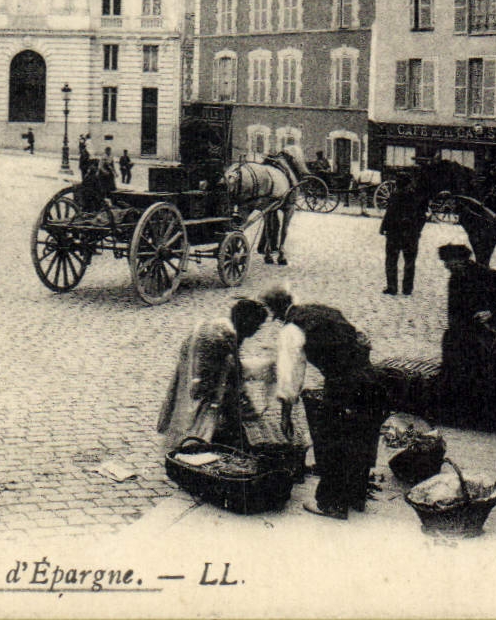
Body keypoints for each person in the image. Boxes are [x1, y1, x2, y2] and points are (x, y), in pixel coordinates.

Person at [261, 285, 385, 520]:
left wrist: (285, 414)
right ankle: (356, 496)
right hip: (370, 380)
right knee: (361, 437)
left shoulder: (291, 330)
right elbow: (363, 337)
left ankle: (332, 503)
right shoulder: (322, 310)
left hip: (343, 386)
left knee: (332, 442)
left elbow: (290, 376)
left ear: (273, 312)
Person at [158, 299, 281, 455]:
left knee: (189, 394)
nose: (257, 330)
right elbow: (232, 381)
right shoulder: (227, 337)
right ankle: (196, 438)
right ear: (247, 323)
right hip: (202, 367)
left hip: (192, 360)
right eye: (257, 326)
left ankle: (185, 432)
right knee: (209, 399)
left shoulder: (223, 324)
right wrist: (246, 416)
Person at [436, 244, 496, 431]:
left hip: (482, 334)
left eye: (450, 262)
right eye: (446, 263)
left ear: (462, 260)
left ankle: (479, 417)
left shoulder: (487, 275)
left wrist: (493, 312)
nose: (447, 266)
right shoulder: (455, 279)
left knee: (478, 372)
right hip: (459, 333)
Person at [379, 171, 431, 295]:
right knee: (410, 261)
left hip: (394, 233)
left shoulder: (395, 195)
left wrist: (383, 228)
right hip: (411, 234)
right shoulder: (417, 197)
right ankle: (407, 288)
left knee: (391, 260)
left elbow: (389, 214)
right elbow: (423, 216)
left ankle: (392, 287)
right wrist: (418, 229)